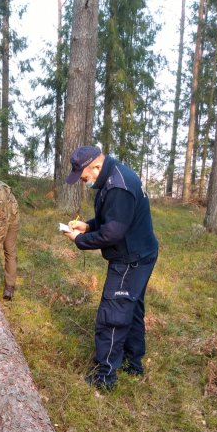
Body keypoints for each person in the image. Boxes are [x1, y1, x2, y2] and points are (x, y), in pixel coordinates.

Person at [63, 146, 158, 390]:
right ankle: (132, 363)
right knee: (132, 307)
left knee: (113, 314)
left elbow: (113, 232)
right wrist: (87, 226)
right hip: (141, 252)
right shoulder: (114, 175)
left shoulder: (118, 186)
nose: (84, 182)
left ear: (95, 166)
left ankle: (104, 378)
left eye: (84, 178)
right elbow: (114, 218)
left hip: (131, 259)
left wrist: (79, 240)